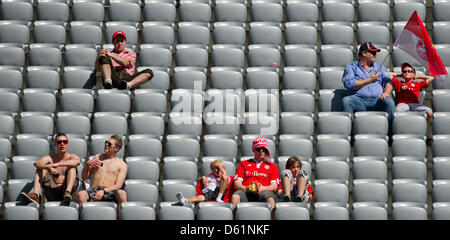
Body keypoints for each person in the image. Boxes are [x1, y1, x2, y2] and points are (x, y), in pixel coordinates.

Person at [342, 41, 396, 126]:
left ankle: (389, 133)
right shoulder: (351, 66)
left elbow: (388, 81)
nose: (376, 55)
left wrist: (386, 92)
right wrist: (369, 80)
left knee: (389, 101)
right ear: (364, 53)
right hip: (359, 101)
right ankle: (351, 131)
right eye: (373, 52)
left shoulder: (379, 66)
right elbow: (349, 84)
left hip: (377, 101)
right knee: (347, 101)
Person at [20, 133, 80, 204]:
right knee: (40, 168)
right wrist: (49, 167)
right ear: (55, 144)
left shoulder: (71, 156)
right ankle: (36, 195)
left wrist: (57, 164)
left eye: (64, 142)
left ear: (67, 144)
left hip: (68, 192)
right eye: (59, 142)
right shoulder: (50, 158)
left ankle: (67, 192)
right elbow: (37, 163)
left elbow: (77, 162)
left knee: (72, 168)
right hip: (53, 192)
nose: (62, 144)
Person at [77, 135, 127, 216]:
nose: (106, 144)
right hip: (94, 190)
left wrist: (103, 191)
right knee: (81, 194)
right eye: (106, 142)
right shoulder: (98, 157)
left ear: (116, 149)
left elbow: (118, 185)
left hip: (110, 191)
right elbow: (85, 177)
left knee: (122, 194)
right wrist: (87, 165)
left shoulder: (122, 164)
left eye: (109, 144)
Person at [231, 136, 279, 212]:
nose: (261, 151)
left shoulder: (272, 166)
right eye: (258, 149)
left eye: (263, 149)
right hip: (246, 191)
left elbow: (274, 186)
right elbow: (236, 184)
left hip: (264, 191)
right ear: (254, 150)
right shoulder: (244, 163)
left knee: (270, 199)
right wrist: (245, 188)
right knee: (235, 197)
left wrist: (263, 188)